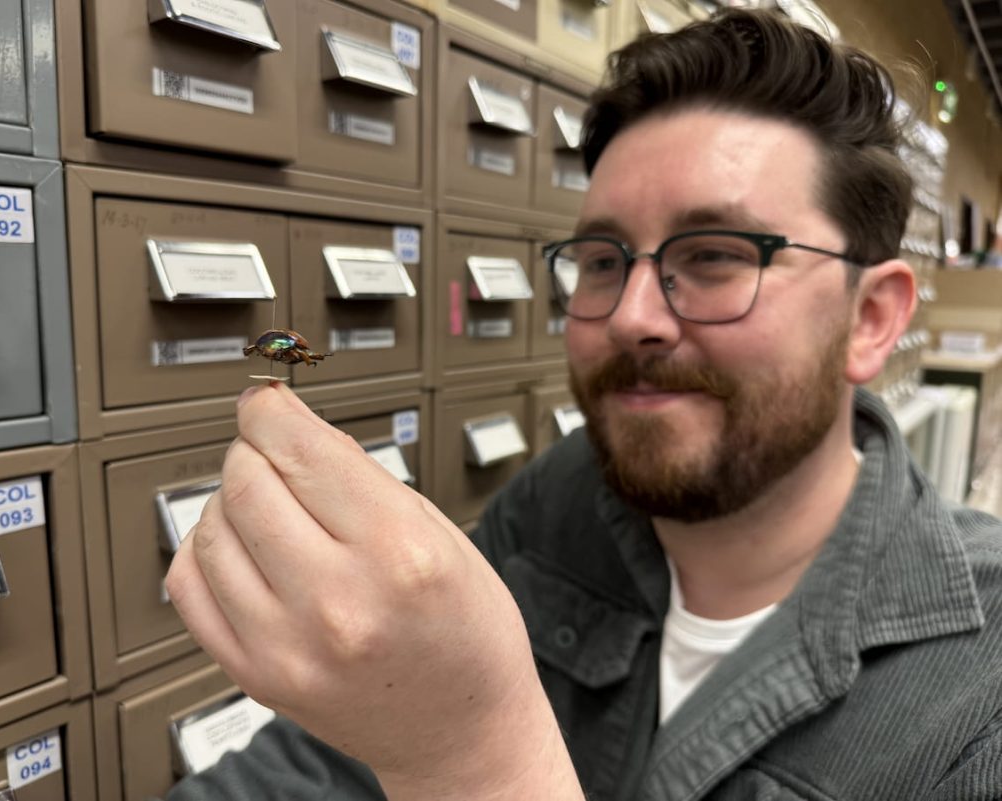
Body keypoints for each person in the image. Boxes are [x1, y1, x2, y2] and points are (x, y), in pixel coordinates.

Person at [164, 9, 1002, 801]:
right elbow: (310, 768)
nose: (633, 315)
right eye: (603, 260)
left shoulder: (980, 698)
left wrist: (476, 761)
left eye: (713, 256)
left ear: (872, 318)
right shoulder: (561, 499)